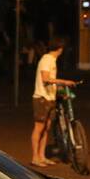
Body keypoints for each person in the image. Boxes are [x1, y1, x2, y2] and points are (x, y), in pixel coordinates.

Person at [30, 37, 75, 168]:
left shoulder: (51, 60)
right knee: (39, 128)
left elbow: (51, 80)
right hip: (41, 98)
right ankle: (35, 157)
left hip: (50, 98)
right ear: (60, 49)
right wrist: (63, 82)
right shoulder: (46, 60)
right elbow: (45, 79)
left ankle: (42, 156)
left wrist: (60, 90)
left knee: (46, 128)